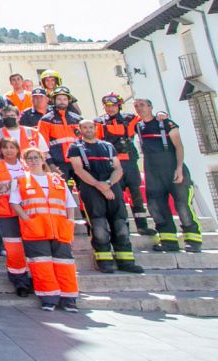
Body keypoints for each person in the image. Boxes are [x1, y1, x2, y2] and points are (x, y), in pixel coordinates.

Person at [68, 118, 144, 274]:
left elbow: (118, 169)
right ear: (80, 129)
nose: (88, 130)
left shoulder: (108, 146)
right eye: (85, 127)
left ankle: (126, 260)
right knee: (98, 223)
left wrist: (108, 184)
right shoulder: (75, 147)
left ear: (95, 128)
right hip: (90, 186)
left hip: (112, 185)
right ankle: (104, 260)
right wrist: (99, 186)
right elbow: (78, 170)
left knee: (120, 222)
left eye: (91, 127)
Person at [12, 147, 81, 312]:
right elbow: (15, 203)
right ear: (25, 162)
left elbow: (69, 203)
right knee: (41, 264)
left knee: (64, 263)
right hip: (35, 229)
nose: (33, 161)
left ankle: (68, 298)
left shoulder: (57, 180)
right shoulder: (21, 180)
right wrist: (28, 220)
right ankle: (48, 297)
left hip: (59, 227)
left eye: (36, 158)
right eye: (30, 159)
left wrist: (69, 221)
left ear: (43, 160)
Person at [133, 98, 203, 253]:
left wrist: (179, 168)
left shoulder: (165, 123)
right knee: (156, 206)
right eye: (136, 106)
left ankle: (193, 240)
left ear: (150, 106)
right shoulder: (137, 126)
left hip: (172, 169)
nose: (139, 108)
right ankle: (168, 240)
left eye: (142, 105)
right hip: (152, 171)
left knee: (183, 205)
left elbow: (179, 146)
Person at [95, 93, 153, 235]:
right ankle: (121, 228)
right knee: (117, 198)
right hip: (112, 165)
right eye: (107, 106)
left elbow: (147, 118)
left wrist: (161, 115)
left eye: (114, 106)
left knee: (136, 195)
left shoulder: (130, 119)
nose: (111, 109)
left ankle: (142, 226)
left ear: (119, 106)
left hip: (130, 163)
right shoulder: (99, 122)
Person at [0, 139, 33, 296]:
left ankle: (35, 278)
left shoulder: (26, 165)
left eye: (12, 147)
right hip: (7, 211)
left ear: (18, 149)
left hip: (29, 211)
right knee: (14, 248)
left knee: (32, 247)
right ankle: (19, 280)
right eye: (5, 148)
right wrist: (8, 184)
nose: (9, 151)